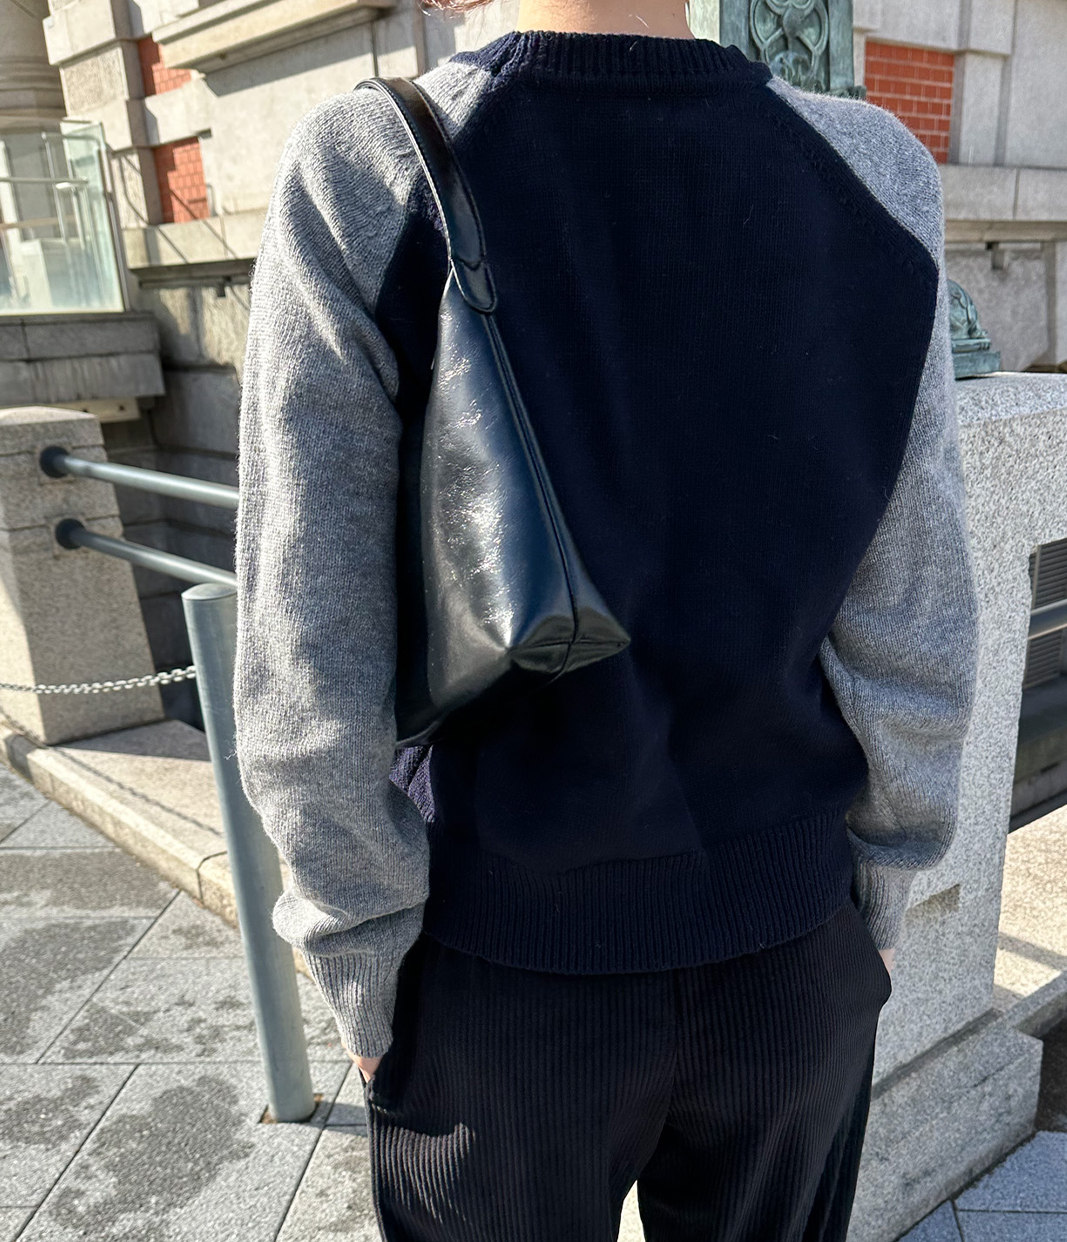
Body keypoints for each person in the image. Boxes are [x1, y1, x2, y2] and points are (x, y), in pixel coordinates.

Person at [232, 0, 980, 1235]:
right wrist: (885, 890)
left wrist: (359, 955)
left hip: (495, 965)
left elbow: (309, 643)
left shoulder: (369, 164)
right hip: (791, 945)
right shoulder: (872, 170)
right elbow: (915, 608)